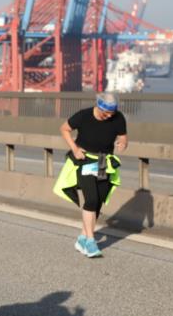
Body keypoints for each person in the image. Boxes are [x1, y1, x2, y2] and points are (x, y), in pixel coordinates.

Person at [54, 92, 128, 258]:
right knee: (91, 199)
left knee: (99, 201)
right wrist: (74, 148)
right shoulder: (84, 116)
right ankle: (90, 241)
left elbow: (124, 138)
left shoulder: (118, 118)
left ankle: (82, 238)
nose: (109, 116)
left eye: (112, 113)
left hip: (102, 161)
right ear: (98, 106)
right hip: (85, 159)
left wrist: (122, 144)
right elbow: (64, 129)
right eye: (106, 113)